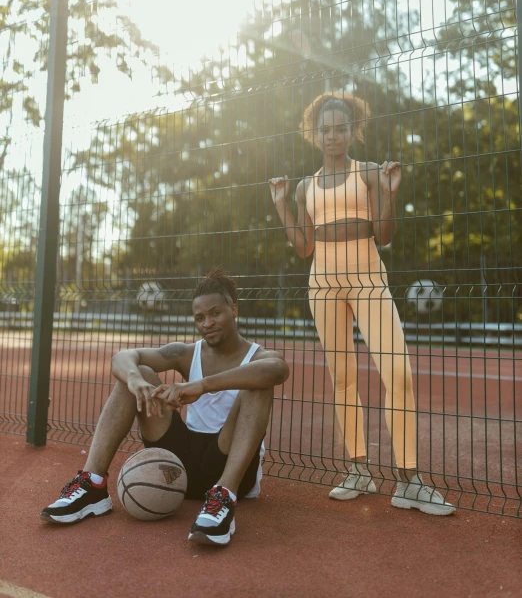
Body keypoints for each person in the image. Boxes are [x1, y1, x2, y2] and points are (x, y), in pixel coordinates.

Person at [269, 92, 454, 516]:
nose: (332, 137)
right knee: (343, 378)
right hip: (323, 285)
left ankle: (409, 479)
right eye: (325, 130)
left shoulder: (370, 173)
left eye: (340, 129)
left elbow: (383, 235)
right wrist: (282, 208)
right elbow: (302, 248)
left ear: (353, 131)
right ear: (313, 135)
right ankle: (358, 469)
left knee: (399, 373)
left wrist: (389, 193)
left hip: (369, 281)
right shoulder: (304, 187)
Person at [41, 267, 289, 545]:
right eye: (200, 318)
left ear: (234, 309)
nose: (207, 322)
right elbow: (124, 356)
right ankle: (93, 484)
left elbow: (277, 370)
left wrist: (202, 385)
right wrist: (135, 380)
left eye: (215, 313)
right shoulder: (185, 353)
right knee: (135, 375)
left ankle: (223, 497)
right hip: (179, 465)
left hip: (229, 465)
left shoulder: (260, 356)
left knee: (258, 385)